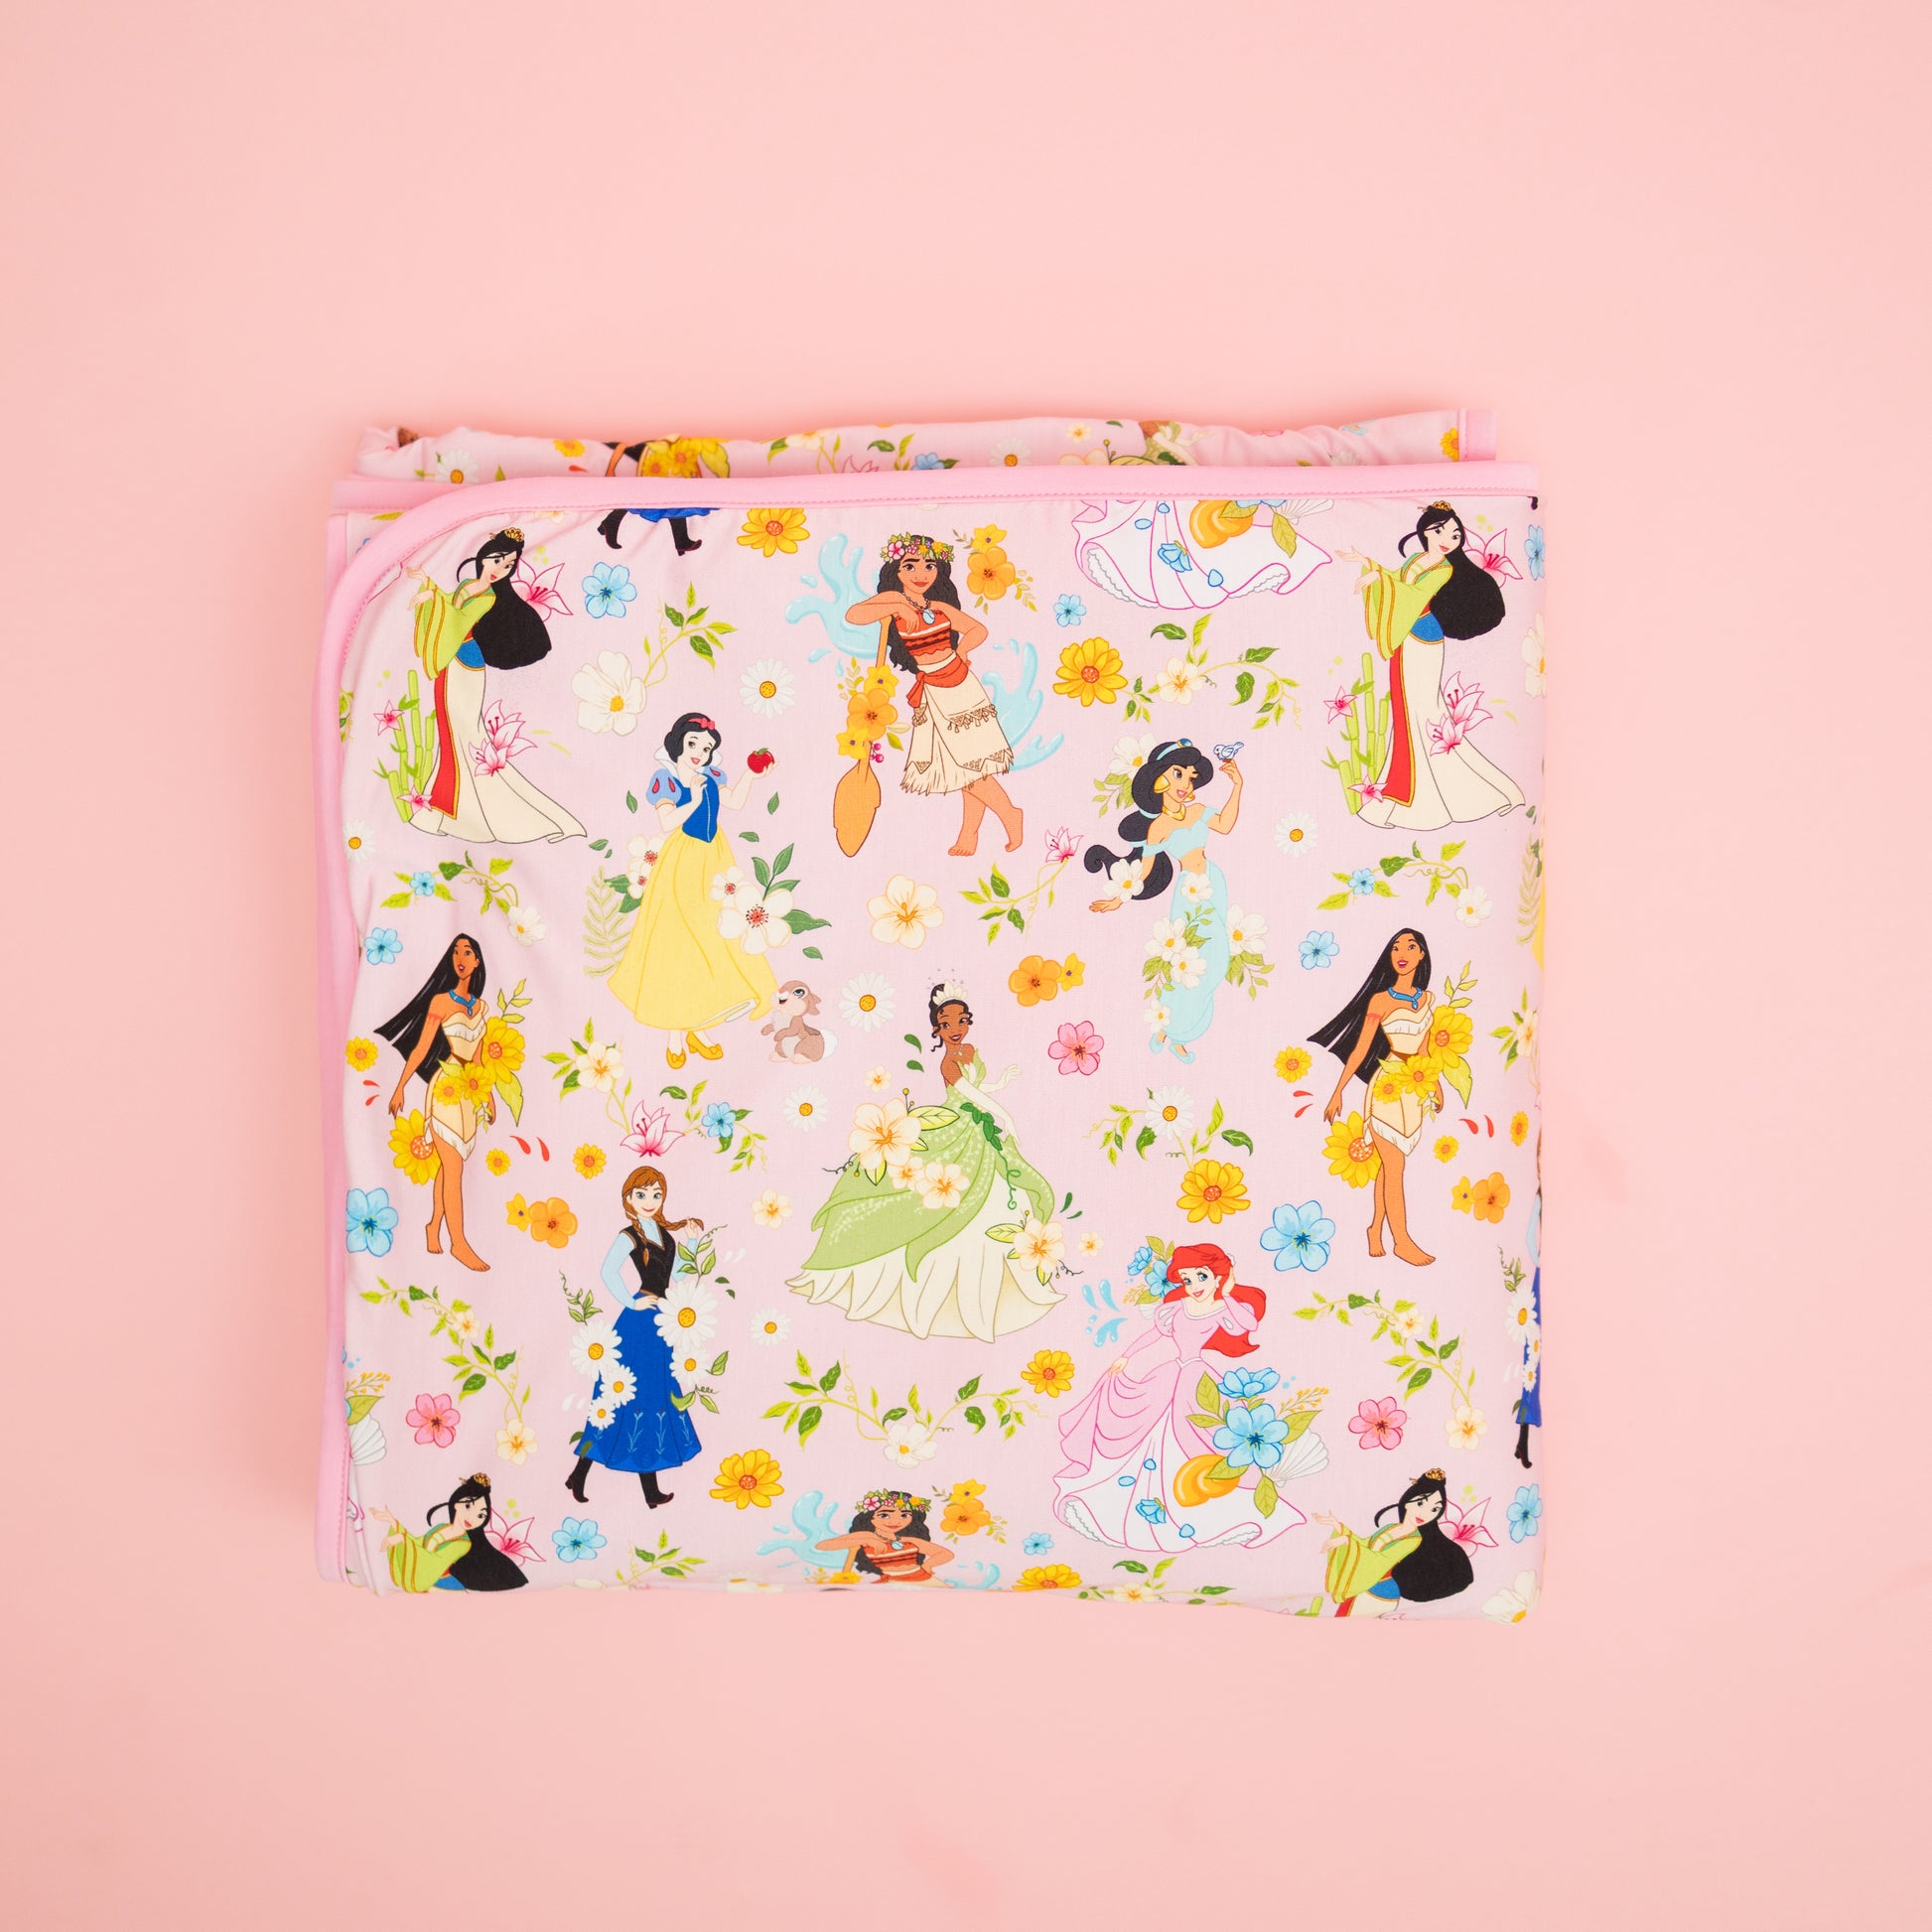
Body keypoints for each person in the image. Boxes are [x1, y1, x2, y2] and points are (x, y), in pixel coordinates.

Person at [788, 983, 1061, 1341]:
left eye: (961, 1021)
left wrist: (999, 1084)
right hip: (957, 1125)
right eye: (947, 1024)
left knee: (995, 1193)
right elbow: (966, 1094)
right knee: (935, 1189)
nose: (956, 1029)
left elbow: (976, 1090)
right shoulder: (948, 1062)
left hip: (975, 1125)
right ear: (937, 1029)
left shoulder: (968, 1051)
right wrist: (1005, 1116)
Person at [1053, 1243, 1321, 1552]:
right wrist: (1126, 1356)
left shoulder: (1222, 1309)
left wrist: (1228, 1292)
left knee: (1205, 1432)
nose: (1194, 1285)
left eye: (1201, 1276)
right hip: (1169, 1374)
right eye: (1187, 1279)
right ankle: (1138, 1496)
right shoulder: (1178, 1308)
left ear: (1217, 1276)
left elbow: (1249, 1325)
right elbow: (1154, 1334)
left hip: (1197, 1377)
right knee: (1149, 1428)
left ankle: (1202, 1503)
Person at [1335, 503, 1522, 831]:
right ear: (1424, 532)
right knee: (1407, 712)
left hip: (1423, 640)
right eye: (1440, 531)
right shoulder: (1415, 560)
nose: (1448, 539)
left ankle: (1425, 799)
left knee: (1424, 712)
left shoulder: (1443, 570)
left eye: (1455, 534)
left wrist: (1378, 577)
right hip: (1406, 638)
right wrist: (1368, 564)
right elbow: (1397, 580)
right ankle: (1400, 794)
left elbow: (1412, 594)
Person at [608, 712, 776, 1066]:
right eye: (693, 743)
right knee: (678, 944)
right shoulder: (667, 779)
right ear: (678, 743)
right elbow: (667, 821)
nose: (700, 752)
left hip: (714, 859)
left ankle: (698, 1029)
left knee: (712, 938)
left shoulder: (712, 776)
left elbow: (734, 802)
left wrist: (751, 774)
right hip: (682, 862)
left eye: (707, 747)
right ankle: (677, 1034)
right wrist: (695, 800)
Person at [400, 527, 585, 844]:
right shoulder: (468, 585)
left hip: (465, 661)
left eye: (509, 564)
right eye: (497, 560)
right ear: (484, 557)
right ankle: (446, 808)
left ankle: (472, 812)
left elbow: (458, 621)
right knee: (451, 732)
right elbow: (451, 605)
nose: (501, 568)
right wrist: (427, 584)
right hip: (453, 659)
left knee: (465, 733)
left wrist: (431, 596)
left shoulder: (487, 597)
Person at [844, 533, 1024, 856]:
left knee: (970, 762)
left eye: (929, 566)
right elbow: (854, 614)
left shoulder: (938, 607)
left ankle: (1007, 814)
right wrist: (898, 604)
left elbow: (978, 630)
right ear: (897, 571)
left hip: (960, 685)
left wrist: (962, 651)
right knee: (967, 764)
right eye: (910, 566)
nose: (920, 573)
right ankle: (970, 833)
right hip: (934, 690)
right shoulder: (893, 604)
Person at [1083, 739, 1245, 1062]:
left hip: (1213, 883)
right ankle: (1173, 1032)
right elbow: (1143, 872)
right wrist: (1118, 899)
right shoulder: (1158, 827)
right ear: (1159, 780)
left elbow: (1226, 825)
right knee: (1185, 966)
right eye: (1178, 774)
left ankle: (1173, 1030)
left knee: (1217, 961)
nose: (1186, 783)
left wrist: (1238, 785)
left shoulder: (1197, 811)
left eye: (1191, 777)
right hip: (1189, 896)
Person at [565, 1168, 704, 1508]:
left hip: (660, 1323)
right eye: (641, 1194)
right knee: (621, 1399)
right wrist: (631, 1301)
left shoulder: (665, 1235)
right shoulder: (629, 1235)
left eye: (656, 1194)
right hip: (637, 1324)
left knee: (654, 1397)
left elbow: (677, 1275)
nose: (649, 1201)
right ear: (628, 1198)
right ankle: (583, 1474)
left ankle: (640, 1488)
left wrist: (692, 1242)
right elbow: (607, 1270)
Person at [1311, 928, 1441, 1267]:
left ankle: (1374, 1229)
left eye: (1411, 947)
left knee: (1390, 1165)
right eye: (1396, 947)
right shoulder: (1380, 1001)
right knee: (1395, 1166)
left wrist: (1436, 1085)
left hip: (1414, 1089)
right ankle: (1403, 1242)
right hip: (1387, 1088)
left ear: (1422, 954)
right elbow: (1360, 1049)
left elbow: (1424, 1051)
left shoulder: (1428, 1000)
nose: (1402, 953)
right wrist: (1338, 1091)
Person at [378, 933, 494, 1270]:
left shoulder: (481, 1007)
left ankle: (433, 1227)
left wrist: (489, 1096)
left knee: (449, 1166)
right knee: (454, 1167)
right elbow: (421, 1047)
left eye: (467, 952)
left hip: (469, 1093)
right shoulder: (440, 1002)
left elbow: (480, 1058)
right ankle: (459, 1243)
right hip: (445, 1090)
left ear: (477, 961)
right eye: (456, 952)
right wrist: (400, 1086)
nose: (460, 957)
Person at [1314, 1469, 1472, 1616]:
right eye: (1420, 1503)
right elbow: (1366, 1544)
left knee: (1348, 1622)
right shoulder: (1391, 1527)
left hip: (1381, 1591)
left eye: (1434, 1510)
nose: (1425, 1514)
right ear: (1407, 1501)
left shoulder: (1414, 1540)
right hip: (1369, 1584)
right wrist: (1339, 1527)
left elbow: (1381, 1559)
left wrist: (1346, 1541)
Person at [369, 1472, 526, 1592]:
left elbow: (433, 1561)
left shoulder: (464, 1544)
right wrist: (393, 1523)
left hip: (443, 1586)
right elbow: (419, 1543)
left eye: (481, 1515)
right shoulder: (441, 1527)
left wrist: (402, 1540)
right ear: (457, 1503)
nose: (472, 1518)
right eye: (468, 1506)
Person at [815, 1491, 953, 1584]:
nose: (895, 1521)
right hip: (891, 1580)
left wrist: (927, 1565)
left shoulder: (908, 1540)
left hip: (921, 1578)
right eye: (884, 1515)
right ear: (871, 1517)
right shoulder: (867, 1536)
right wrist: (867, 1540)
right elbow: (822, 1545)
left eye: (904, 1515)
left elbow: (946, 1554)